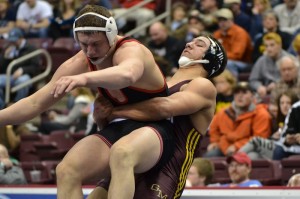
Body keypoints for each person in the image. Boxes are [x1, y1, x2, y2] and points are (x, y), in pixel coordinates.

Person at [0, 4, 173, 199]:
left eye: (96, 44)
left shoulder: (131, 49)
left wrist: (83, 79)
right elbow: (34, 103)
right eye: (83, 44)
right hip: (119, 127)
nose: (90, 51)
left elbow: (128, 74)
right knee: (66, 170)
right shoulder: (81, 61)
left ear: (111, 36)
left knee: (122, 153)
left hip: (156, 127)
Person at [87, 35, 227, 199]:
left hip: (165, 171)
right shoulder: (159, 84)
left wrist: (115, 111)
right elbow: (123, 125)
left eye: (199, 44)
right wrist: (101, 117)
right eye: (192, 41)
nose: (189, 43)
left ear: (209, 58)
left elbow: (163, 108)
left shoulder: (202, 85)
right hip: (131, 160)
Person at [204, 81, 272, 158]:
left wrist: (236, 146)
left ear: (253, 96)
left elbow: (258, 139)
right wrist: (215, 142)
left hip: (251, 149)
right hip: (225, 147)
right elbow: (214, 129)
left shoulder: (261, 114)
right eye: (237, 93)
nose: (240, 96)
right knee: (210, 156)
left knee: (250, 158)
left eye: (244, 93)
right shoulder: (224, 112)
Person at [239, 90, 299, 160]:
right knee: (252, 156)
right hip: (276, 146)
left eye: (288, 103)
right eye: (282, 103)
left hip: (285, 149)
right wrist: (273, 137)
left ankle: (233, 160)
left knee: (256, 141)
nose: (284, 106)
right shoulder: (276, 118)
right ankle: (234, 164)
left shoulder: (296, 117)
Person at [0, 27, 40, 105]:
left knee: (22, 81)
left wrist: (23, 70)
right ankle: (2, 106)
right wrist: (5, 57)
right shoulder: (8, 48)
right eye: (11, 40)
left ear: (21, 38)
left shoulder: (31, 48)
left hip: (26, 75)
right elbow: (2, 68)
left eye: (15, 40)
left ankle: (17, 105)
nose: (13, 42)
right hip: (10, 75)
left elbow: (35, 67)